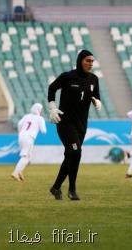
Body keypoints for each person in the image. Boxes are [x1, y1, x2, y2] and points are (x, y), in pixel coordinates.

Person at [47, 49, 102, 201]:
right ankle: (72, 190)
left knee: (70, 156)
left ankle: (56, 188)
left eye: (92, 61)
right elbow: (52, 88)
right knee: (76, 153)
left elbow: (96, 95)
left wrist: (97, 101)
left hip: (81, 125)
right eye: (87, 61)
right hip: (65, 123)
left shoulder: (94, 79)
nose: (90, 64)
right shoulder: (67, 76)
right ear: (80, 61)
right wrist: (52, 107)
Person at [11, 103, 46, 181]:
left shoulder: (26, 116)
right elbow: (43, 131)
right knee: (25, 157)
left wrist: (21, 132)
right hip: (29, 137)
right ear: (38, 109)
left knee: (27, 156)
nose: (41, 111)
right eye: (41, 109)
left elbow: (19, 124)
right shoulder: (40, 118)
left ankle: (20, 172)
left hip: (21, 136)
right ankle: (15, 173)